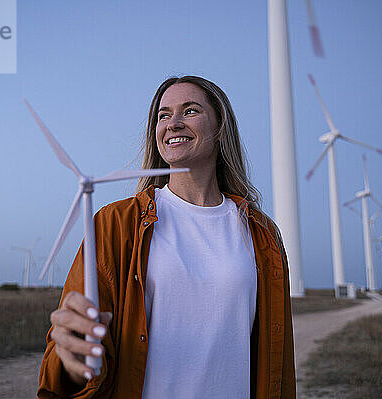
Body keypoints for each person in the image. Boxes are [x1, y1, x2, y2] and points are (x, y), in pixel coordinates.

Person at [37, 75, 296, 398]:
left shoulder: (261, 234)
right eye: (163, 115)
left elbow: (277, 358)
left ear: (219, 129)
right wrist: (71, 358)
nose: (173, 123)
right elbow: (72, 351)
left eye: (190, 111)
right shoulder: (115, 224)